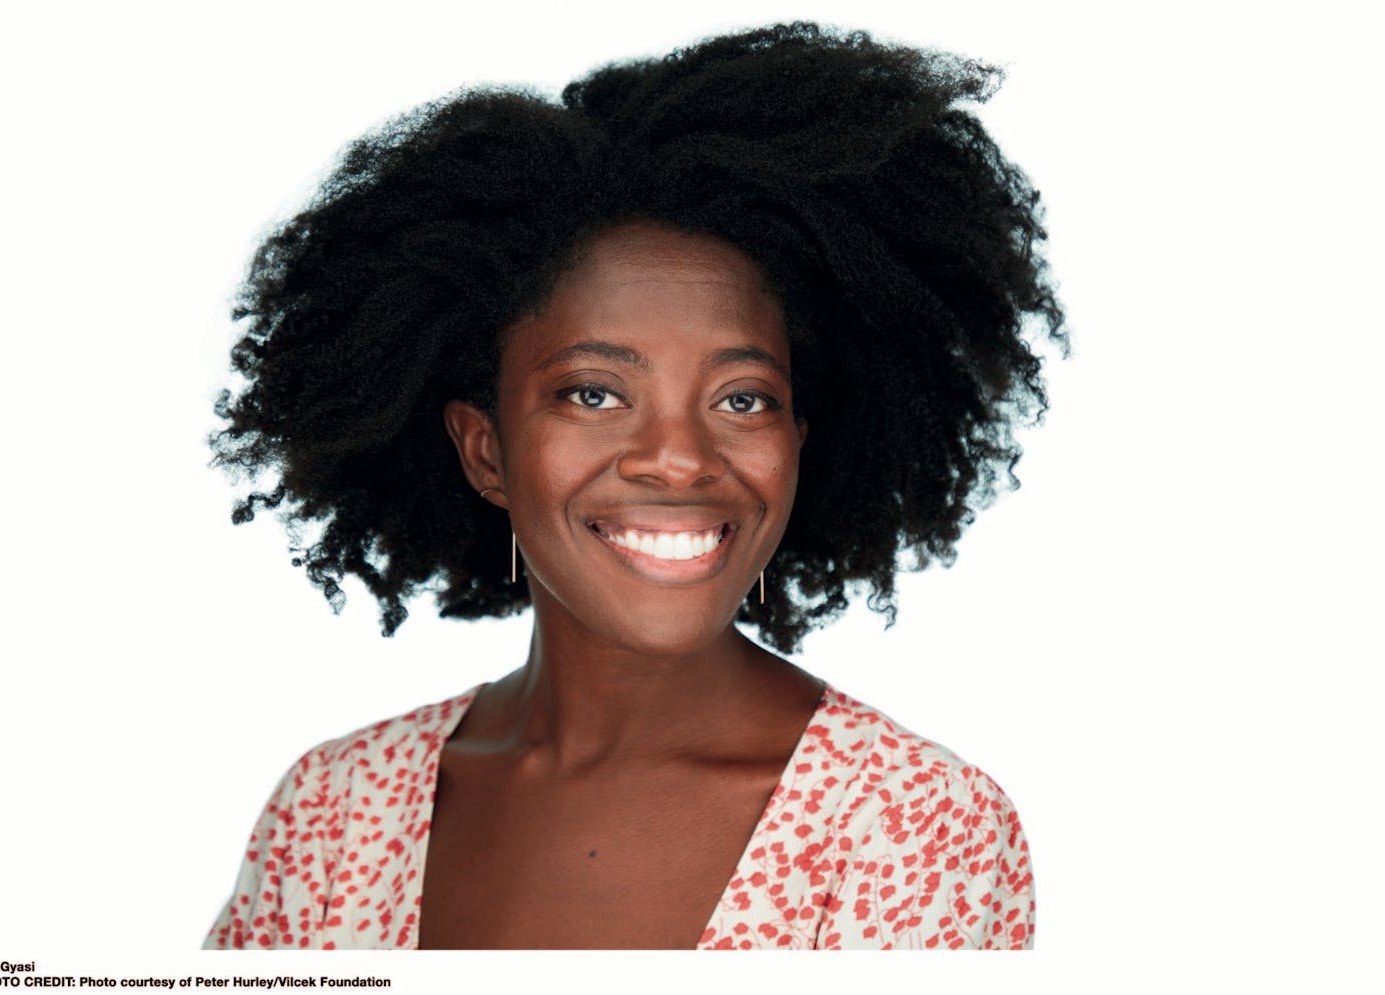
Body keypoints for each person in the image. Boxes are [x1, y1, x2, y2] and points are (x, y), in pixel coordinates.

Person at [203, 22, 1064, 951]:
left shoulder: (916, 826)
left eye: (742, 398)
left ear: (800, 442)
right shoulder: (333, 814)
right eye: (594, 392)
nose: (679, 457)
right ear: (485, 449)